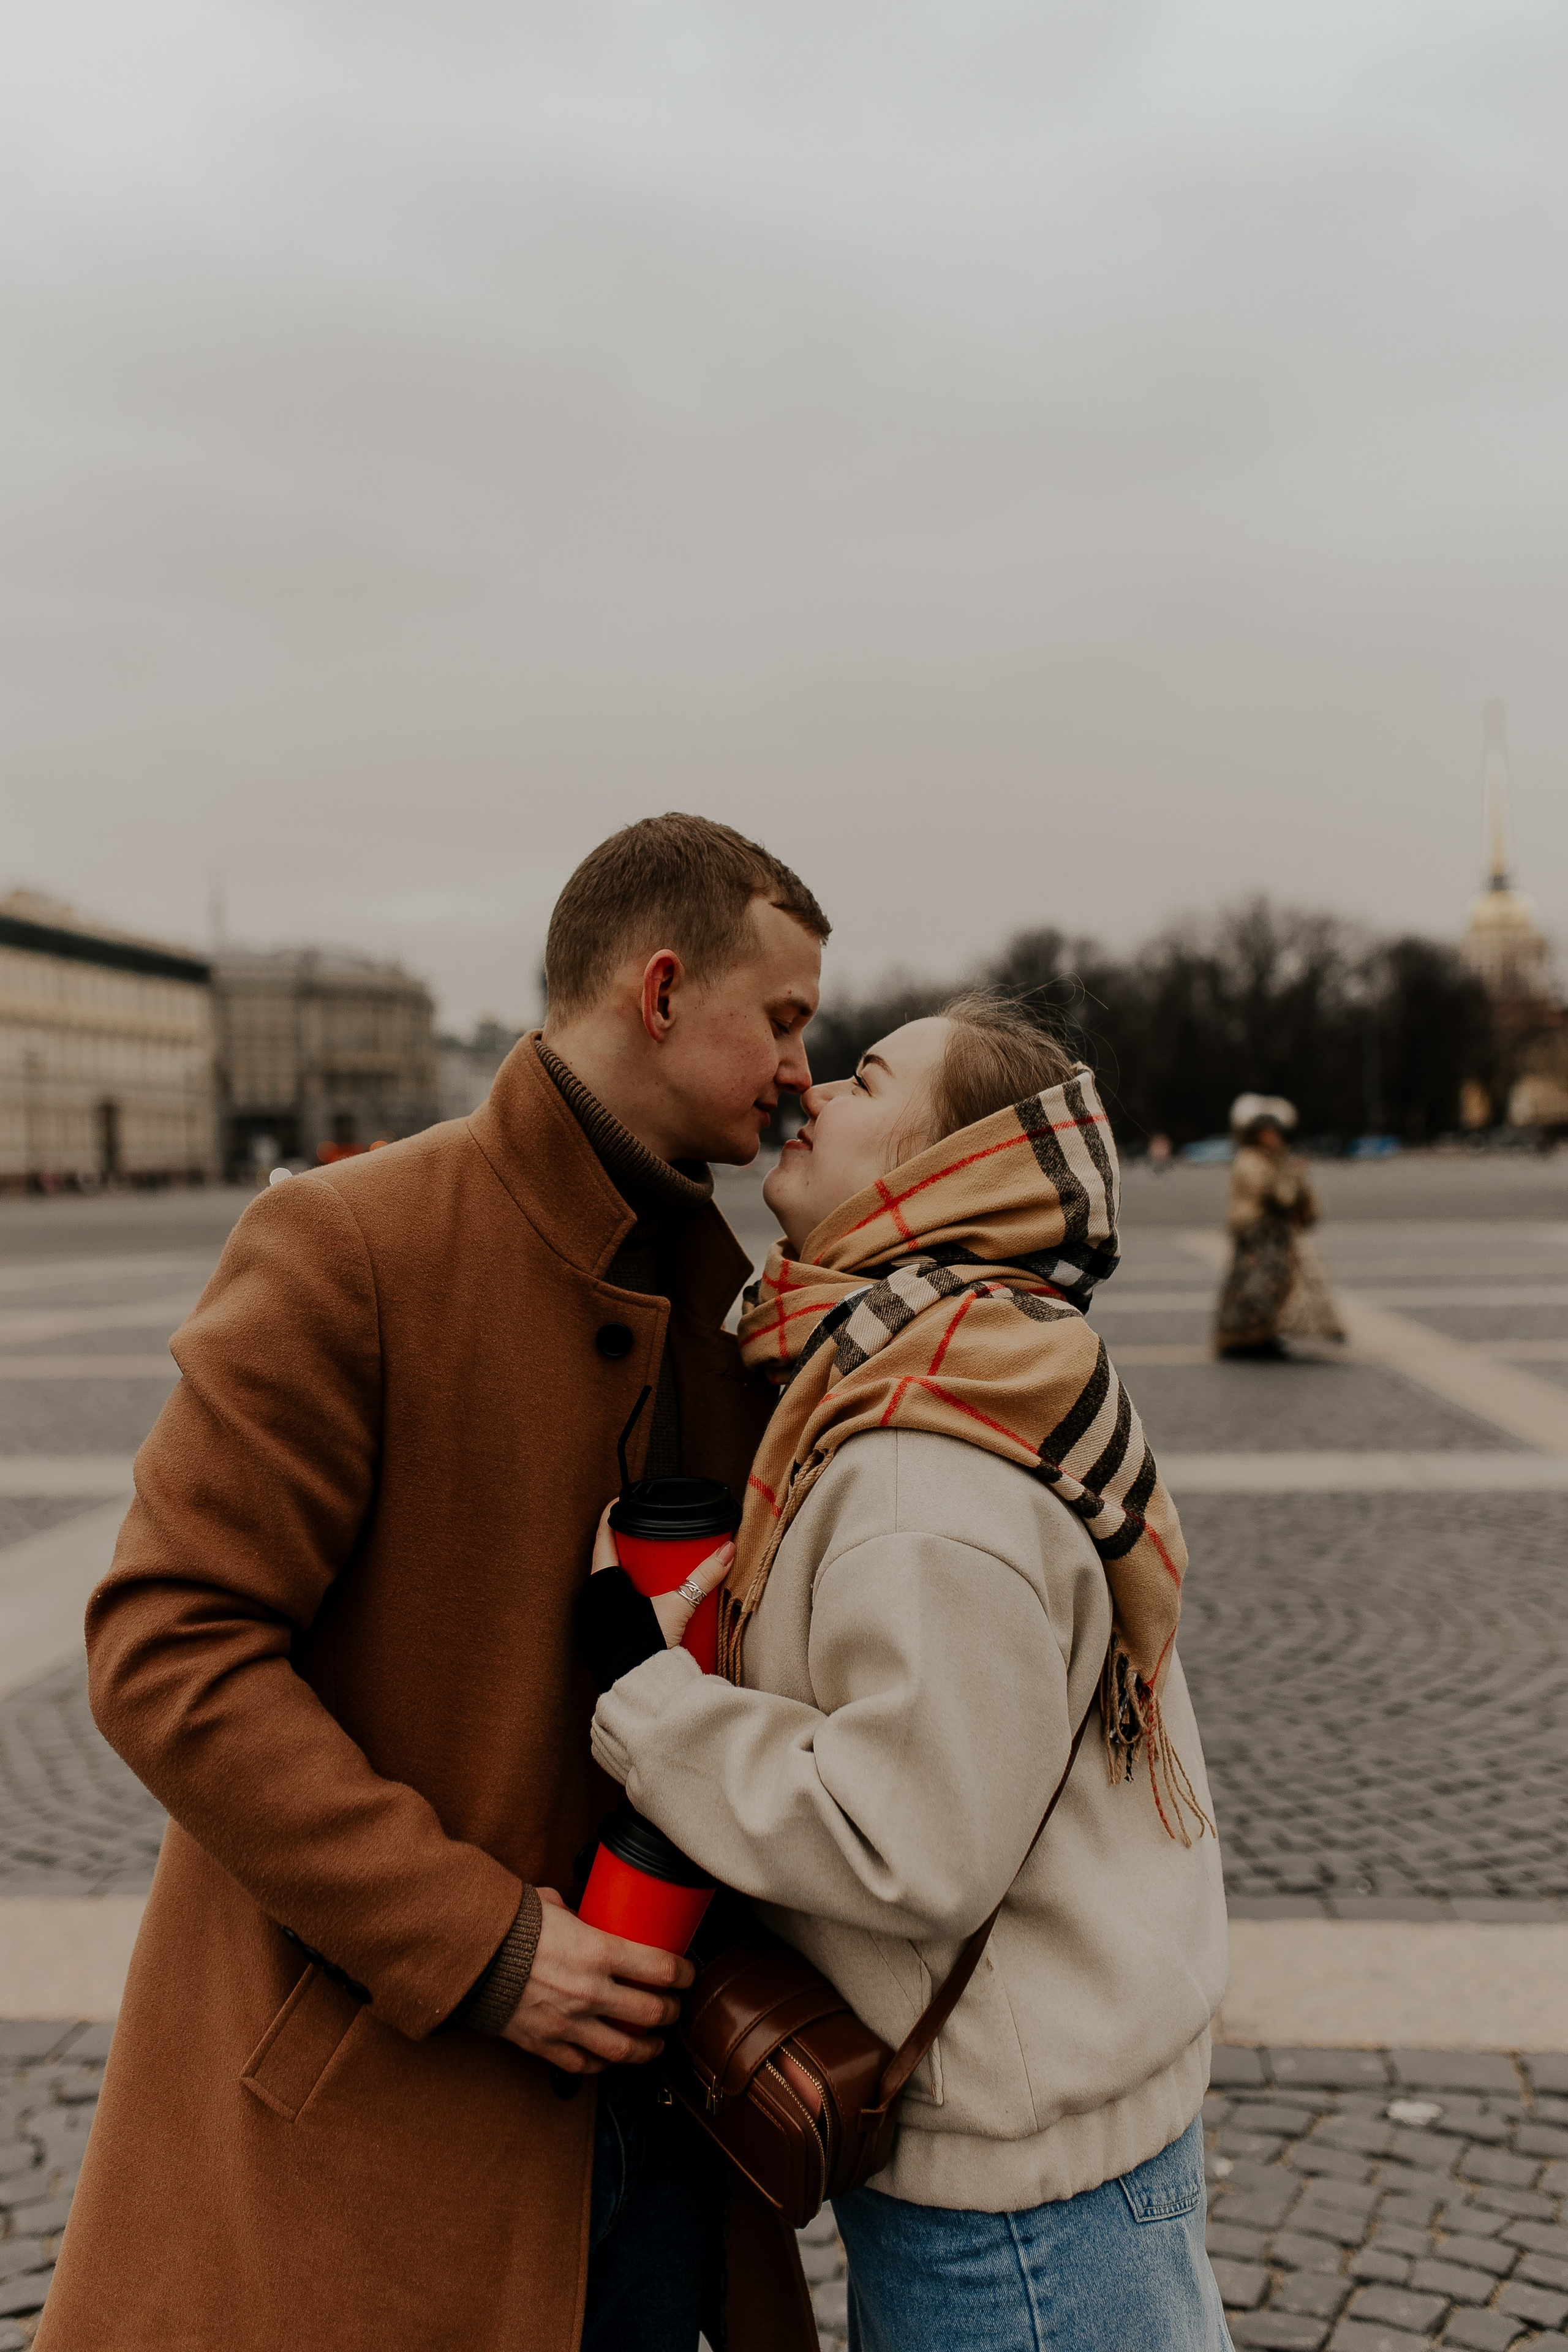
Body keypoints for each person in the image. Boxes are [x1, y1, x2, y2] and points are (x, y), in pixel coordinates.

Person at [39, 815, 829, 2352]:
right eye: (784, 1019)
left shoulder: (731, 1290)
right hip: (389, 2112)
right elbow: (166, 1649)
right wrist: (479, 1942)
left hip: (660, 2122)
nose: (803, 1066)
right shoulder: (349, 1240)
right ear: (661, 989)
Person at [582, 996, 1232, 2352]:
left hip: (1018, 2223)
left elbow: (911, 1836)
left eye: (866, 1075)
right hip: (1048, 2153)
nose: (808, 1089)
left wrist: (640, 1705)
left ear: (952, 1163)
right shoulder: (959, 1360)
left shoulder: (916, 1452)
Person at [1213, 1093, 1344, 1359]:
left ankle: (1263, 1336)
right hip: (1260, 1237)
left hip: (1268, 1238)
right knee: (1256, 1289)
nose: (1274, 1137)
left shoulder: (1266, 1159)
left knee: (1267, 1289)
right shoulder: (1253, 1160)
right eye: (1268, 1132)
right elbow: (1280, 1196)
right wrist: (1294, 1174)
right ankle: (1247, 1339)